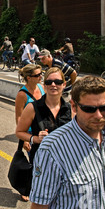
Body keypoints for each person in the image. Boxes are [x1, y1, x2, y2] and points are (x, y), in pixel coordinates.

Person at [28, 75, 105, 209]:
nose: (98, 115)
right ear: (74, 106)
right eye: (89, 109)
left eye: (104, 107)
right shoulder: (52, 148)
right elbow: (40, 206)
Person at [15, 68, 72, 197]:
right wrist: (35, 139)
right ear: (45, 85)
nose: (53, 85)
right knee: (41, 197)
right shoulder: (32, 107)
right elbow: (19, 131)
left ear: (64, 84)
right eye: (49, 82)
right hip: (42, 162)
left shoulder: (69, 109)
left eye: (58, 81)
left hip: (64, 161)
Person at [14, 64, 45, 201]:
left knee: (45, 162)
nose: (40, 77)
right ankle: (26, 188)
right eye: (37, 75)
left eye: (41, 74)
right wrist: (25, 139)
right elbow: (19, 117)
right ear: (28, 78)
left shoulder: (41, 87)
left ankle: (42, 186)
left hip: (44, 130)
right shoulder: (22, 94)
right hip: (31, 133)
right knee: (33, 162)